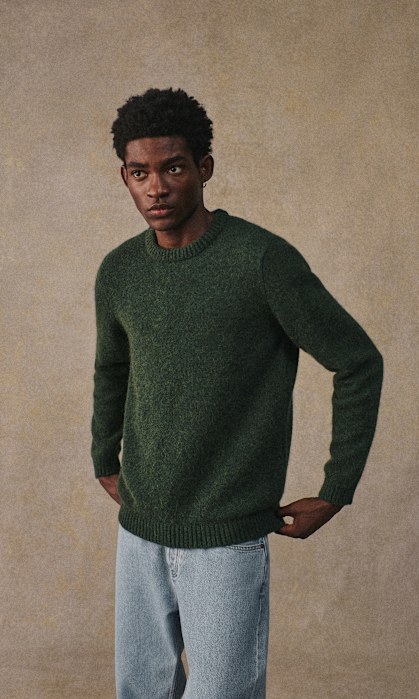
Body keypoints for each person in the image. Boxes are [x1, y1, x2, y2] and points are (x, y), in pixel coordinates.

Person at [91, 87, 383, 699]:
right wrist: (103, 457)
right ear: (125, 177)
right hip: (139, 529)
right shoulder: (119, 271)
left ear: (204, 168)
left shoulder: (261, 261)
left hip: (226, 535)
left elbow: (357, 362)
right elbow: (112, 368)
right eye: (140, 173)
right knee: (139, 691)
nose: (156, 188)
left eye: (173, 168)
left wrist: (337, 488)